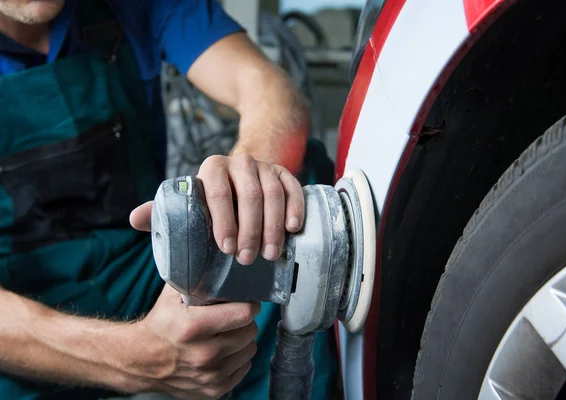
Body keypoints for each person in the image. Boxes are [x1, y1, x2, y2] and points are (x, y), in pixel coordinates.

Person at [0, 0, 339, 399]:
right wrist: (132, 358)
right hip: (19, 310)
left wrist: (248, 177)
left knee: (290, 182)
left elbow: (269, 88)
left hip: (140, 270)